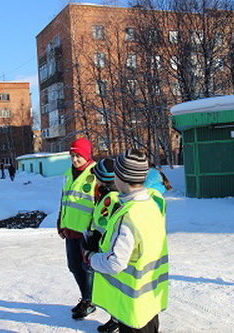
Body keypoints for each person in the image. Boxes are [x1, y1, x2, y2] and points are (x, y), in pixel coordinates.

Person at [84, 149, 169, 333]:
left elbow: (115, 262)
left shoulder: (129, 215)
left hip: (132, 309)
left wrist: (90, 257)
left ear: (121, 178)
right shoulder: (151, 205)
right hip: (149, 301)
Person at [57, 137, 97, 320]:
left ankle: (90, 301)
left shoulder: (95, 173)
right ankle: (85, 298)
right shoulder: (68, 173)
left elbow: (100, 204)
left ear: (86, 155)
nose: (74, 160)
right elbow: (65, 199)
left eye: (78, 156)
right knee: (73, 266)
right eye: (72, 156)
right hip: (70, 229)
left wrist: (95, 230)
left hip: (86, 231)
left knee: (87, 267)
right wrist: (60, 221)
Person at [83, 158, 120, 333]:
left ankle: (118, 319)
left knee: (113, 285)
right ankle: (115, 317)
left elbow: (104, 224)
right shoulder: (107, 193)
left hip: (105, 247)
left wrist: (93, 240)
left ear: (102, 178)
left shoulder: (110, 197)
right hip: (103, 245)